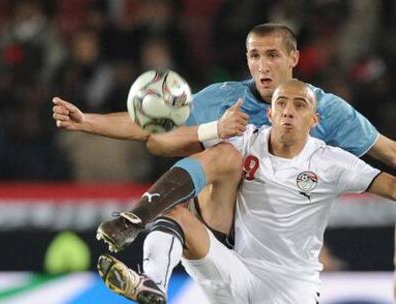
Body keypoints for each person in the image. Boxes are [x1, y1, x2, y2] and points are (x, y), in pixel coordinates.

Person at [52, 23, 396, 298]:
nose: (263, 65)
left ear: (294, 59)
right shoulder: (234, 111)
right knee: (208, 171)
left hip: (292, 273)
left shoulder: (329, 125)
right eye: (254, 55)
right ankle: (147, 268)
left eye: (272, 55)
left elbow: (389, 155)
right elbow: (156, 134)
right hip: (229, 245)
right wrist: (88, 121)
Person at [96, 79, 396, 303]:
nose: (288, 111)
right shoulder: (246, 141)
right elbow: (159, 141)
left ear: (314, 120)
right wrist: (213, 129)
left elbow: (392, 186)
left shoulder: (332, 162)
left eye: (299, 105)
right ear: (270, 114)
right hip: (235, 272)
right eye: (281, 104)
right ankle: (152, 284)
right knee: (176, 214)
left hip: (291, 291)